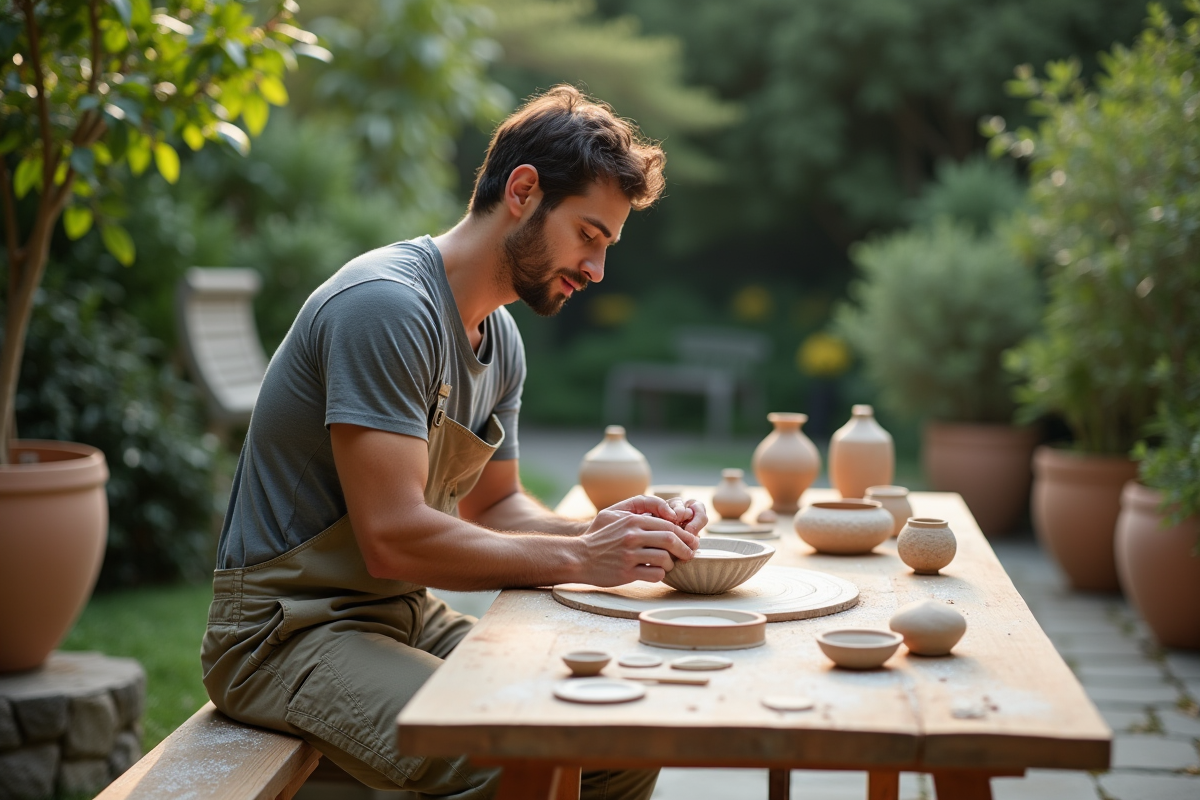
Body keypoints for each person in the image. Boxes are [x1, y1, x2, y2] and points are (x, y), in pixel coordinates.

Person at [200, 85, 707, 799]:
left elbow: (497, 509)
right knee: (512, 753)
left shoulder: (500, 339)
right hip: (286, 637)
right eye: (590, 235)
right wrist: (581, 556)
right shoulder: (385, 307)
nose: (597, 270)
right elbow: (393, 539)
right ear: (524, 191)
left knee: (617, 741)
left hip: (400, 617)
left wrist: (612, 531)